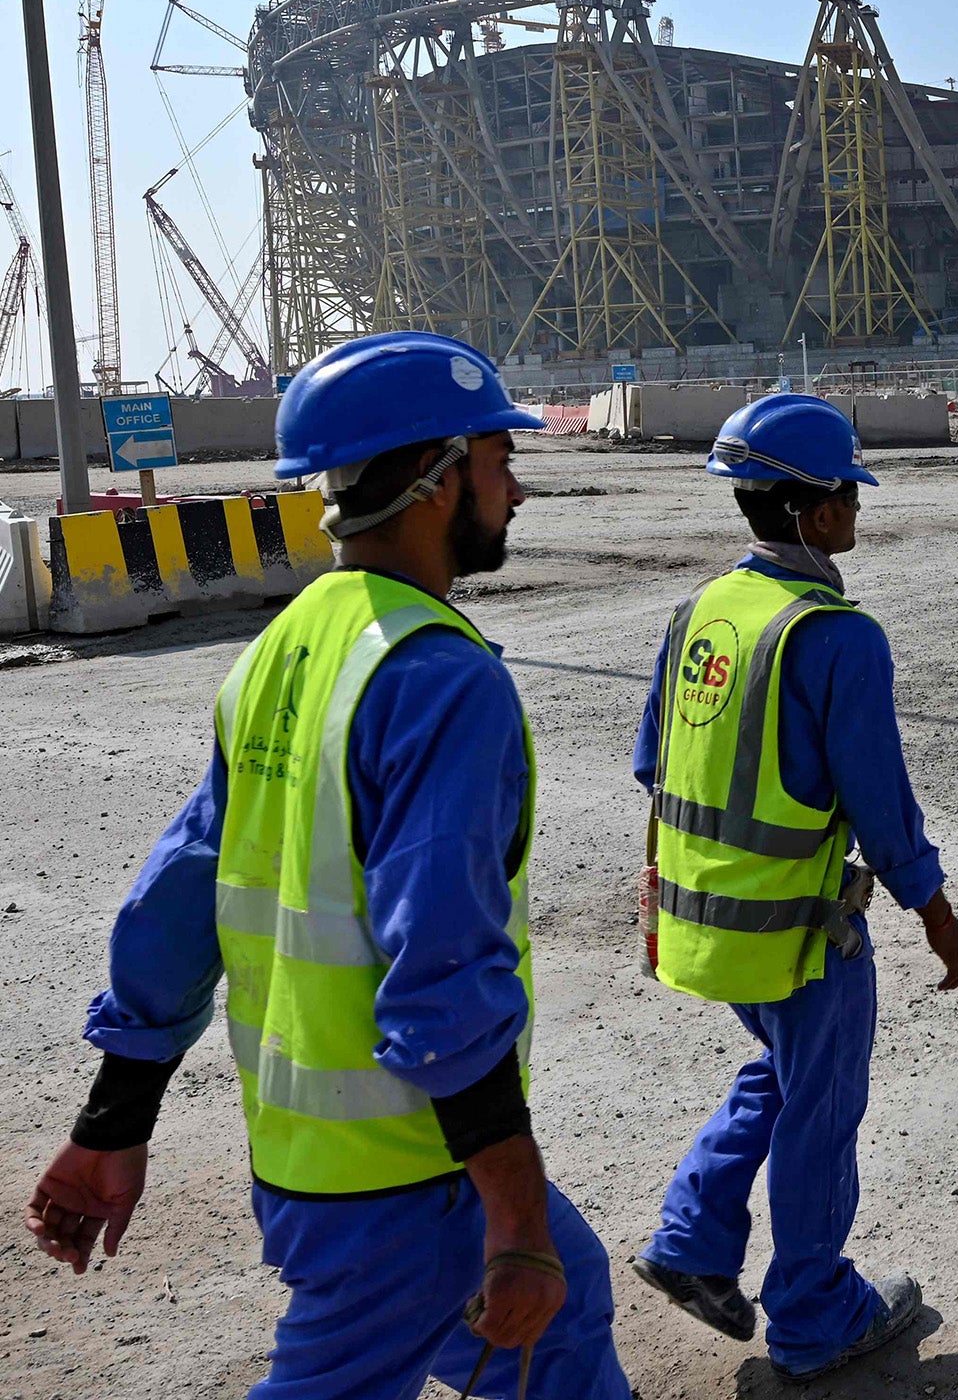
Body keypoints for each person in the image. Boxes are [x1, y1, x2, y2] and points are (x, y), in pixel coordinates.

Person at [21, 333, 631, 1398]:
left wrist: (112, 1122)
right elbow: (441, 967)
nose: (518, 488)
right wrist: (514, 1212)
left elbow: (177, 900)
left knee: (560, 1334)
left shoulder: (284, 646)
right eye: (498, 461)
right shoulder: (440, 677)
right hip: (402, 1181)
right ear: (438, 480)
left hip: (314, 1165)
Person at [629, 393, 958, 1382]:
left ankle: (693, 1239)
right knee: (821, 1111)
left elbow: (656, 766)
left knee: (785, 1075)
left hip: (706, 925)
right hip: (800, 935)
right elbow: (883, 810)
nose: (858, 512)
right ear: (813, 513)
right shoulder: (836, 637)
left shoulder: (698, 611)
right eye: (848, 496)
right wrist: (939, 920)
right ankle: (817, 1316)